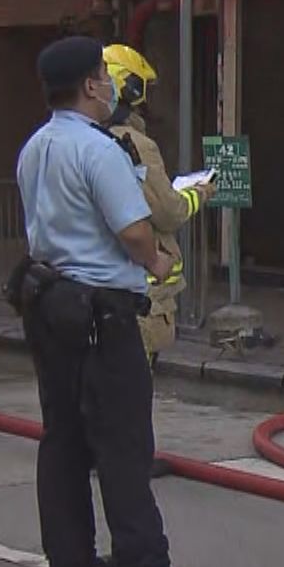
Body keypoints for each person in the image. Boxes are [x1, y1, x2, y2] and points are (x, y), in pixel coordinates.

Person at [10, 35, 217, 567]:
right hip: (103, 311)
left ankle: (70, 561)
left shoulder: (35, 147)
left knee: (64, 439)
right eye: (102, 74)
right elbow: (132, 229)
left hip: (51, 305)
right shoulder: (100, 150)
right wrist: (156, 260)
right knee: (124, 443)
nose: (108, 83)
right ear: (90, 85)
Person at [101, 43, 214, 478]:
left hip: (97, 283)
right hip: (141, 286)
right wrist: (199, 193)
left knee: (106, 377)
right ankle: (132, 459)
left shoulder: (82, 141)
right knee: (134, 379)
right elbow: (167, 211)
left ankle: (103, 452)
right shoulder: (135, 145)